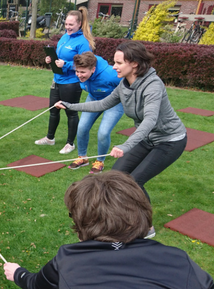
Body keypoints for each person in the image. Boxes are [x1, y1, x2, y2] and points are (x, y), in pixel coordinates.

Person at [4, 171, 214, 289]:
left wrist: (17, 273)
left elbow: (37, 286)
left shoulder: (69, 262)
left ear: (81, 224)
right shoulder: (177, 258)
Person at [55, 41, 186, 208]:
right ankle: (120, 214)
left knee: (135, 181)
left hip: (169, 141)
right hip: (147, 139)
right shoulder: (124, 84)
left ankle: (146, 226)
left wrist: (126, 146)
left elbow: (150, 120)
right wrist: (69, 105)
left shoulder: (152, 85)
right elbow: (102, 104)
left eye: (118, 63)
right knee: (115, 176)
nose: (114, 67)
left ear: (134, 64)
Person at [35, 7, 94, 155]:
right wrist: (51, 59)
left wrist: (66, 65)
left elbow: (86, 64)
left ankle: (70, 143)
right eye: (66, 24)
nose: (67, 27)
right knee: (53, 110)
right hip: (58, 79)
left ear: (79, 24)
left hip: (71, 82)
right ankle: (50, 138)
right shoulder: (65, 37)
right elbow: (59, 54)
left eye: (71, 25)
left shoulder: (83, 42)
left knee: (71, 113)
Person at [68, 52, 124, 174]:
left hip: (114, 102)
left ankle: (100, 161)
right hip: (94, 98)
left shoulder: (110, 75)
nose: (79, 75)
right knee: (82, 127)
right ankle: (82, 158)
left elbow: (130, 82)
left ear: (93, 69)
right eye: (77, 71)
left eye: (82, 72)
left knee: (103, 133)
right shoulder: (80, 71)